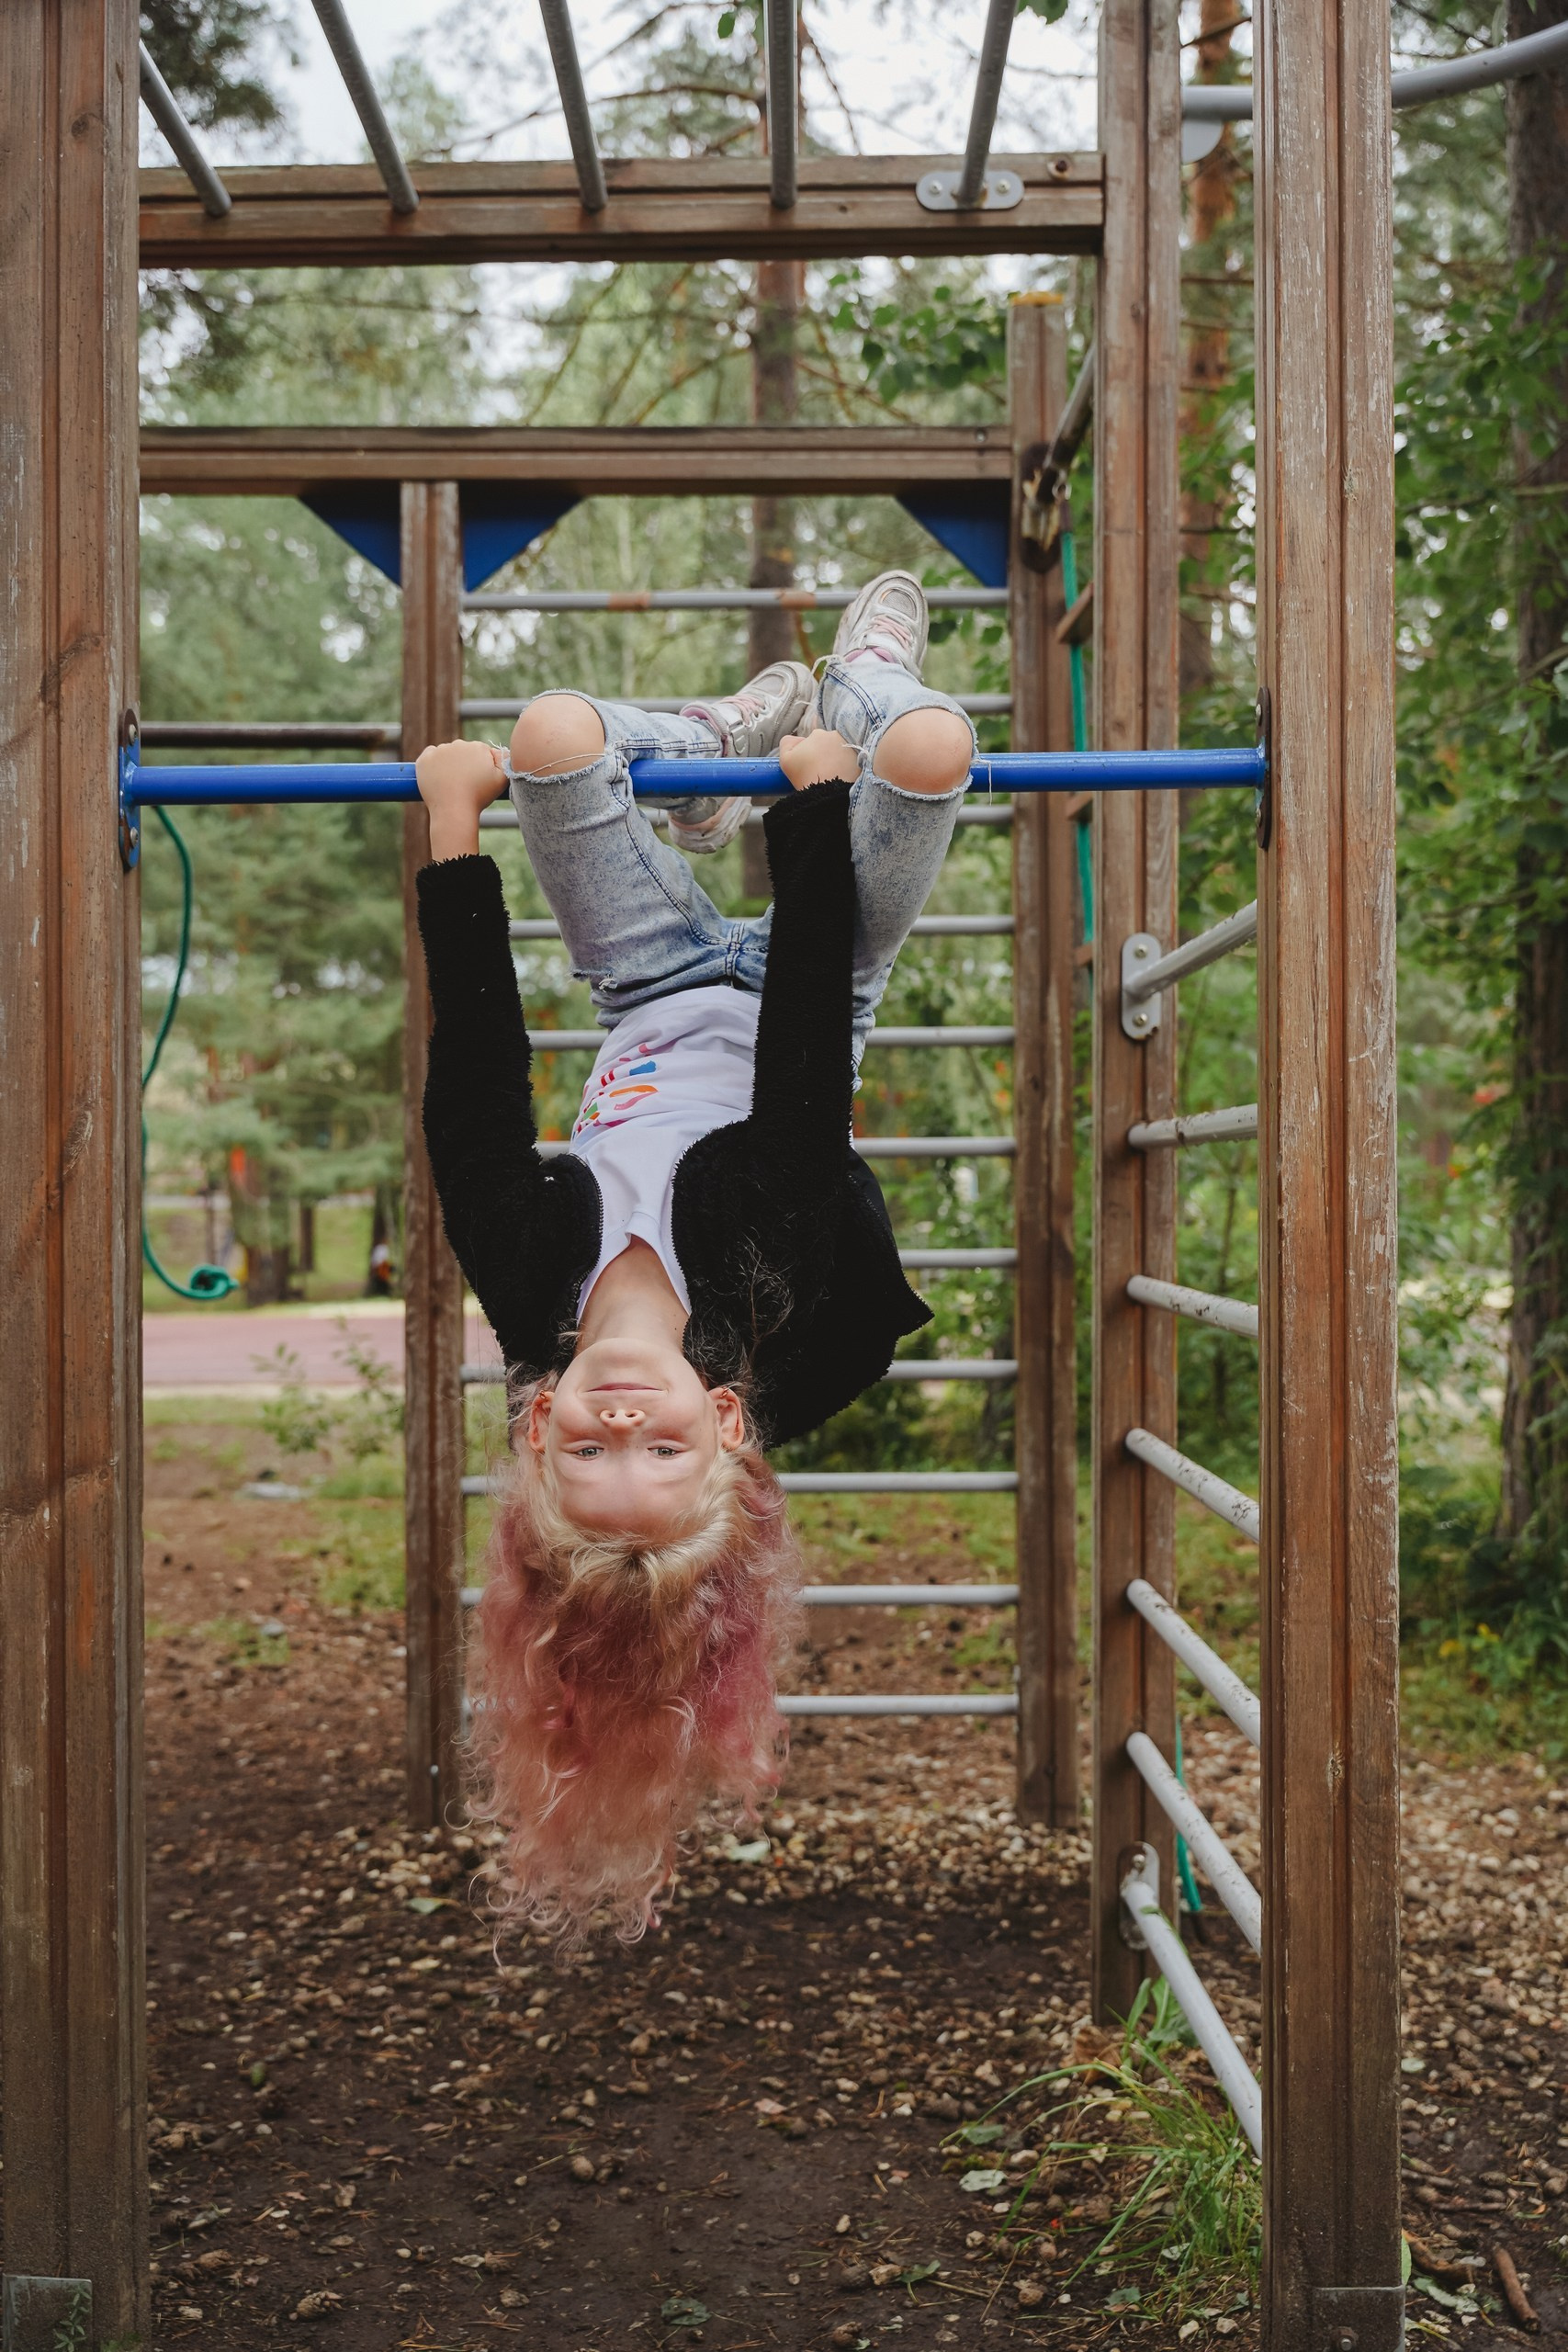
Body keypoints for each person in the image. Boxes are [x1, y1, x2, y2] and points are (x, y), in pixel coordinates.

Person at [412, 572, 974, 1946]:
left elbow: (473, 1094)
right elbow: (802, 1058)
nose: (620, 1424)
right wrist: (814, 812)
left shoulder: (530, 1281)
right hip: (822, 976)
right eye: (658, 1453)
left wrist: (452, 831)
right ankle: (867, 683)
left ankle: (712, 747)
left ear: (538, 1425)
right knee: (928, 750)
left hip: (649, 978)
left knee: (548, 736)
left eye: (587, 1453)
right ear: (723, 1423)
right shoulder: (759, 1270)